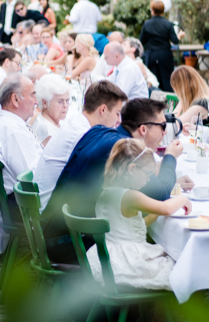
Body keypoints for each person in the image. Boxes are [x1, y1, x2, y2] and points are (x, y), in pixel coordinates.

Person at [42, 98, 187, 262]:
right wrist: (170, 157)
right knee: (167, 256)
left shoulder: (99, 132)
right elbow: (161, 195)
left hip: (54, 230)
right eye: (162, 126)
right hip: (69, 243)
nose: (165, 132)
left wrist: (158, 171)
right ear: (143, 129)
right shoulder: (120, 149)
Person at [90, 139, 192, 322]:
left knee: (167, 258)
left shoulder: (106, 192)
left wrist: (150, 219)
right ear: (131, 168)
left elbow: (125, 229)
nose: (147, 180)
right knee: (178, 266)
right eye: (146, 174)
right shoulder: (130, 195)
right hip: (125, 265)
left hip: (107, 262)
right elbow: (165, 207)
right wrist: (183, 199)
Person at [35, 81, 128, 211]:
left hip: (48, 204)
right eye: (117, 113)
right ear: (103, 110)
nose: (119, 121)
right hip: (52, 213)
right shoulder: (83, 134)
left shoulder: (77, 123)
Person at [0, 74, 43, 200]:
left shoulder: (9, 122)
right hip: (23, 205)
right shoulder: (12, 130)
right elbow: (32, 179)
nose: (36, 101)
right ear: (15, 99)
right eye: (32, 95)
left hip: (21, 200)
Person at [139, 0, 182, 92]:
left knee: (154, 79)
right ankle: (170, 101)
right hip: (165, 54)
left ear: (152, 11)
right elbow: (175, 41)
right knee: (167, 79)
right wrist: (180, 36)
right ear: (163, 11)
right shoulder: (168, 24)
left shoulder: (147, 24)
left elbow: (141, 40)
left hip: (152, 54)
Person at [30, 74, 70, 146]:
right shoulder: (48, 132)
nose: (65, 106)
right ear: (45, 103)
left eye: (67, 100)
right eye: (60, 101)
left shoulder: (46, 119)